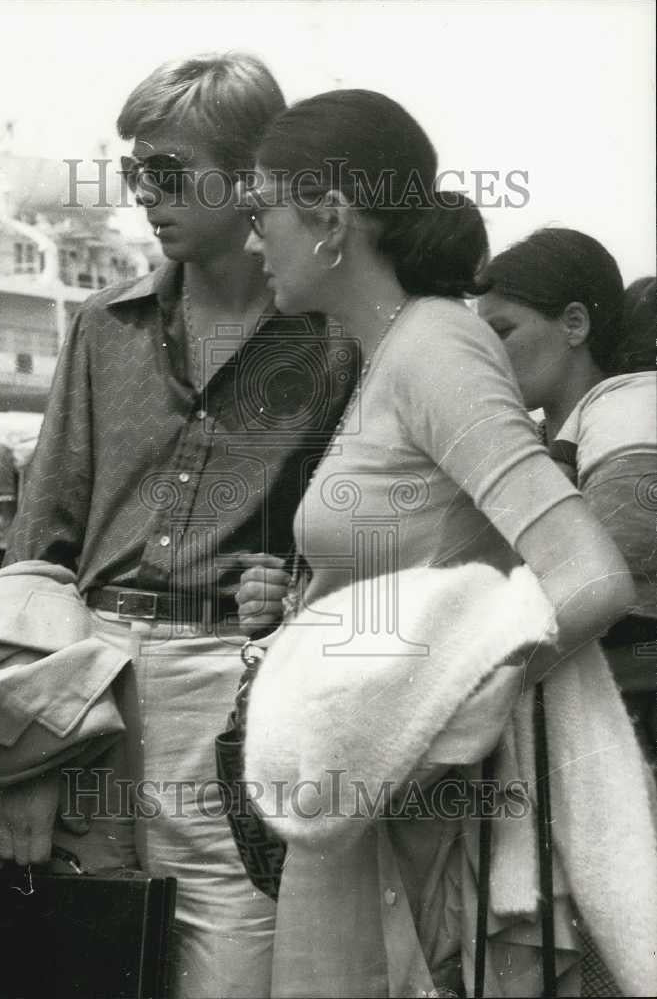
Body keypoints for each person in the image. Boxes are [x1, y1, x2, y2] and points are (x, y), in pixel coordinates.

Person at [235, 90, 637, 996]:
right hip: (365, 824)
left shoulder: (436, 349)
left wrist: (421, 738)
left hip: (416, 823)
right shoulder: (388, 353)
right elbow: (432, 562)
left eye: (261, 212)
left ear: (330, 215)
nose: (253, 240)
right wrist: (301, 606)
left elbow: (587, 575)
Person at [0, 53, 360, 999]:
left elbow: (359, 533)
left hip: (234, 688)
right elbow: (38, 547)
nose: (147, 195)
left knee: (230, 966)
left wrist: (297, 588)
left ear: (250, 180)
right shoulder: (99, 325)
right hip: (89, 675)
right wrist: (23, 750)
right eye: (134, 173)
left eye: (170, 172)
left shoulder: (333, 343)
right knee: (72, 962)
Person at [477, 237, 655, 757]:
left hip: (631, 715)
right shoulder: (533, 442)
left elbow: (613, 571)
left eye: (501, 331)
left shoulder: (628, 406)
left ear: (574, 323)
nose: (485, 355)